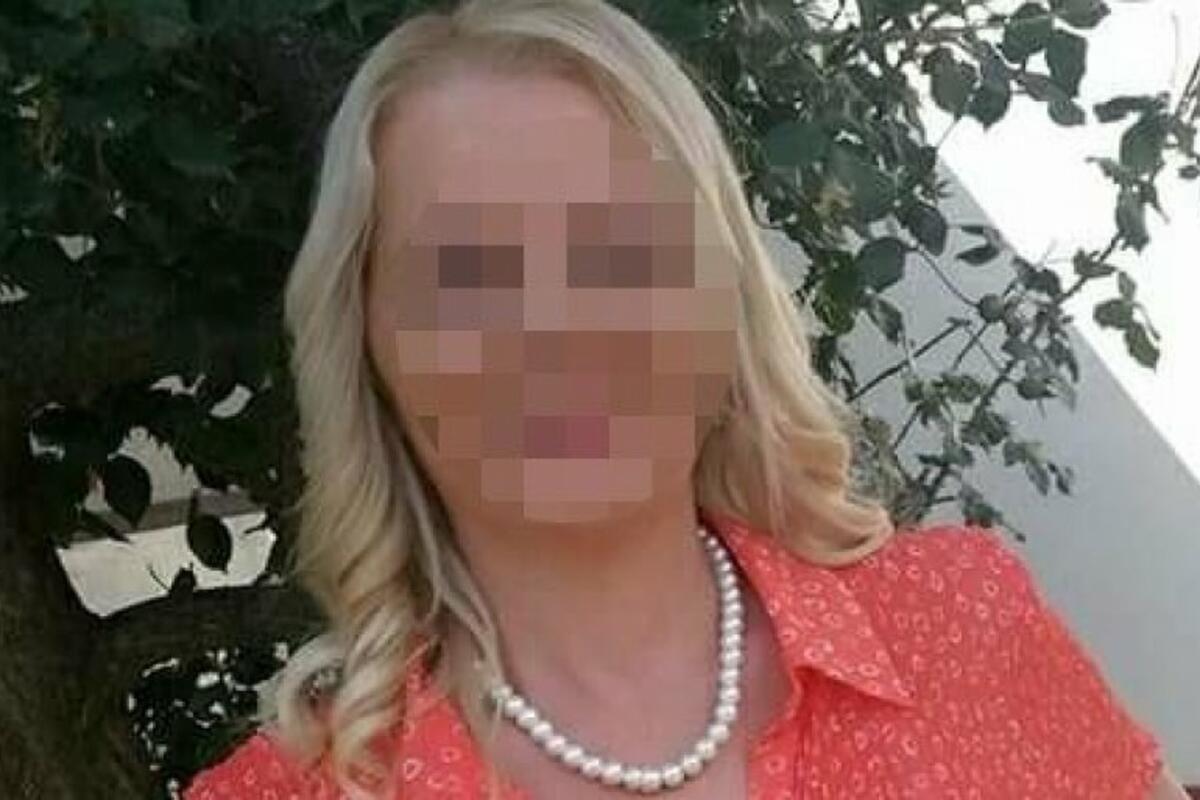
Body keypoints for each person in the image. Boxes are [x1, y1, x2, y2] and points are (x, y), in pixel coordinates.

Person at [183, 0, 1190, 797]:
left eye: (621, 251)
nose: (557, 326)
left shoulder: (962, 625)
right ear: (368, 348)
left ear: (726, 298)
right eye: (469, 274)